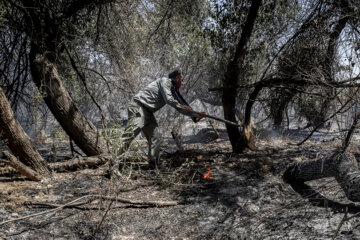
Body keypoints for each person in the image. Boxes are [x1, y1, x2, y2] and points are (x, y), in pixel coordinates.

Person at [111, 70, 204, 175]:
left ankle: (153, 165)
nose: (182, 82)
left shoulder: (173, 89)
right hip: (139, 106)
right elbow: (170, 100)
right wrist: (184, 107)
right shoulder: (165, 81)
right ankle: (113, 165)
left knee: (156, 136)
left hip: (148, 111)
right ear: (177, 77)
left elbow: (179, 105)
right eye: (182, 79)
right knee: (130, 135)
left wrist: (195, 115)